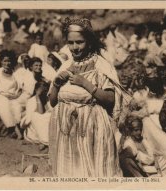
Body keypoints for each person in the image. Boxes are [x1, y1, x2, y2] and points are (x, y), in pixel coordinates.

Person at [48, 17, 130, 177]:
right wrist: (57, 85)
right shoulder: (65, 66)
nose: (74, 47)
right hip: (66, 130)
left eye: (79, 42)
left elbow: (110, 99)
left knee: (94, 172)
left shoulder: (101, 66)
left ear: (90, 42)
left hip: (93, 128)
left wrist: (86, 84)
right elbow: (52, 103)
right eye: (70, 43)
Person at [0, 50, 23, 139]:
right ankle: (15, 130)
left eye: (9, 61)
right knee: (4, 104)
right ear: (1, 62)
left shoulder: (15, 73)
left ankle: (17, 128)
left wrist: (16, 96)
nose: (7, 63)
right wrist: (5, 96)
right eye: (5, 61)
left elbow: (20, 88)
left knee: (17, 107)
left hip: (13, 97)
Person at [20, 81, 50, 150]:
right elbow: (40, 112)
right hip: (35, 129)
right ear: (36, 90)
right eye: (42, 91)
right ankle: (44, 141)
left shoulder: (48, 100)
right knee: (37, 116)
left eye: (46, 91)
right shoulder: (31, 101)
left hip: (46, 127)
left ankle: (46, 140)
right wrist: (38, 97)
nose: (44, 93)